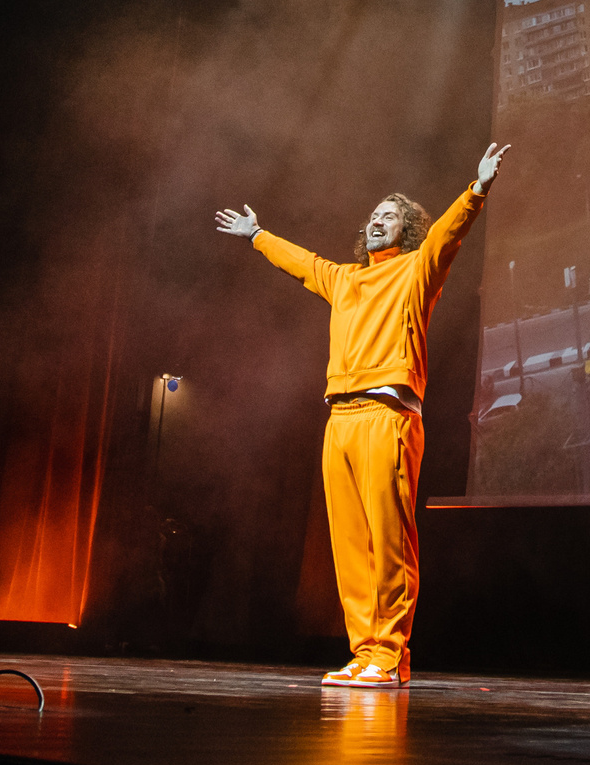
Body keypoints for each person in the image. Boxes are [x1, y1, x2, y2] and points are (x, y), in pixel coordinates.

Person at [214, 141, 509, 687]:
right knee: (349, 545)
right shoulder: (345, 280)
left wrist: (477, 189)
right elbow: (303, 263)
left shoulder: (418, 270)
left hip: (387, 417)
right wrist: (257, 235)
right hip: (340, 422)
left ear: (407, 231)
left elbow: (449, 234)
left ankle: (391, 655)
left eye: (390, 216)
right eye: (374, 215)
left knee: (389, 541)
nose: (377, 220)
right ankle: (365, 652)